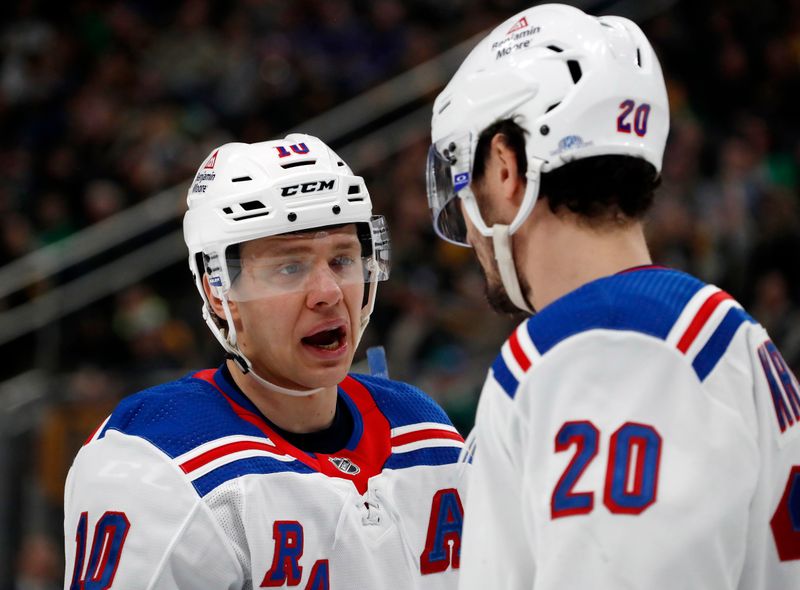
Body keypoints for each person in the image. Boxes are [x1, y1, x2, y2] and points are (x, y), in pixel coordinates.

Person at [426, 4, 800, 589]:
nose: (470, 229)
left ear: (505, 167)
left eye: (466, 182)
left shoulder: (601, 349)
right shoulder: (709, 333)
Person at [64, 134, 466, 589]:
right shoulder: (157, 459)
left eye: (342, 259)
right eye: (290, 267)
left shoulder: (424, 431)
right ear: (219, 291)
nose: (329, 293)